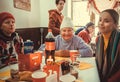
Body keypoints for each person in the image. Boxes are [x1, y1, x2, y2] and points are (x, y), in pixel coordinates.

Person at [95, 9, 120, 82]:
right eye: (100, 20)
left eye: (106, 21)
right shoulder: (98, 39)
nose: (101, 23)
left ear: (115, 24)